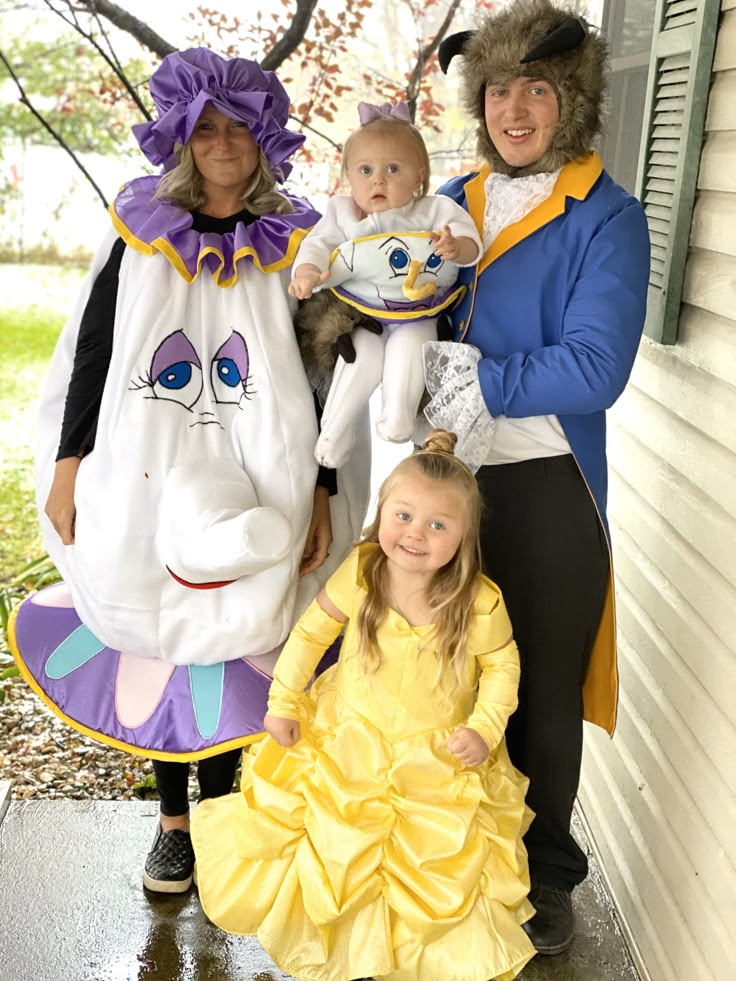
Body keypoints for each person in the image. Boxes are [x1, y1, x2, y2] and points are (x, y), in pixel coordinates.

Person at [12, 49, 367, 896]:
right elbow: (96, 352)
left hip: (266, 467)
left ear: (263, 140)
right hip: (144, 461)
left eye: (237, 128)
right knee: (157, 622)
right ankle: (173, 825)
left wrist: (321, 488)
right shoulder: (138, 230)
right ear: (180, 137)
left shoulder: (299, 244)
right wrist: (69, 467)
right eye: (204, 128)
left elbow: (326, 369)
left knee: (244, 622)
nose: (221, 143)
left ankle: (224, 816)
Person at [425, 0, 651, 955]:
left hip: (550, 485)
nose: (516, 109)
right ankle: (458, 852)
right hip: (443, 490)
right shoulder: (449, 198)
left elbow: (596, 366)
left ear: (574, 100)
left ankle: (547, 871)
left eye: (539, 90)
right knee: (444, 680)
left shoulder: (609, 215)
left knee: (542, 692)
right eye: (499, 90)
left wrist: (474, 378)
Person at [192, 429, 536, 981]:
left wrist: (484, 727)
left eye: (438, 525)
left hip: (437, 757)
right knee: (340, 851)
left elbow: (502, 668)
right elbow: (309, 635)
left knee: (429, 861)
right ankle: (347, 953)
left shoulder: (478, 600)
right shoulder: (365, 571)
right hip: (350, 740)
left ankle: (409, 961)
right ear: (382, 511)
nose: (416, 535)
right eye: (403, 516)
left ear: (465, 535)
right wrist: (283, 699)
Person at [289, 101, 481, 469]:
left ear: (419, 177)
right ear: (349, 176)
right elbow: (317, 243)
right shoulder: (341, 213)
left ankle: (399, 415)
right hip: (363, 315)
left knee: (411, 348)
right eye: (366, 170)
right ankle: (335, 430)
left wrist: (457, 248)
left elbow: (468, 238)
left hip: (419, 311)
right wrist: (307, 272)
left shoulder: (434, 209)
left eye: (393, 169)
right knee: (362, 354)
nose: (379, 180)